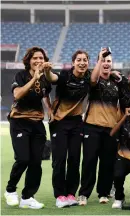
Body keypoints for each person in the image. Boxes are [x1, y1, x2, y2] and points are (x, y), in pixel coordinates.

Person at [44, 50, 93, 208]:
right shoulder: (65, 75)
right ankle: (59, 195)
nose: (82, 62)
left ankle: (71, 193)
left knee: (74, 159)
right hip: (59, 122)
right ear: (73, 63)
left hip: (77, 122)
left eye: (85, 60)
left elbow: (100, 76)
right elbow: (52, 78)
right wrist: (46, 70)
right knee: (59, 160)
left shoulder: (88, 77)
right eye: (79, 60)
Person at [4, 47, 52, 209]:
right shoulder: (21, 75)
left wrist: (50, 110)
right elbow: (17, 95)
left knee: (36, 162)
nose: (38, 61)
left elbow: (45, 95)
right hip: (19, 122)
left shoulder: (45, 79)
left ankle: (27, 197)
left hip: (37, 123)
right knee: (23, 158)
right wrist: (34, 79)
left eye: (41, 58)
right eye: (35, 58)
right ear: (28, 60)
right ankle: (10, 190)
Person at [77, 49, 120, 206]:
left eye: (109, 61)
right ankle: (84, 194)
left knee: (107, 163)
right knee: (89, 161)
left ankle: (104, 192)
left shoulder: (117, 82)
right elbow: (93, 79)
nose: (106, 64)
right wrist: (100, 59)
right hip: (91, 127)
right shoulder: (92, 80)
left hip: (110, 129)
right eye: (103, 61)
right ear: (98, 63)